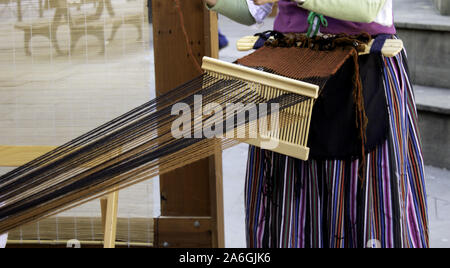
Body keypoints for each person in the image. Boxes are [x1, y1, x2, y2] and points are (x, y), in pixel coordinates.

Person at [205, 0, 429, 248]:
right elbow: (252, 9)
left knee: (365, 202)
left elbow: (366, 8)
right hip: (291, 73)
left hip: (363, 73)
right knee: (289, 203)